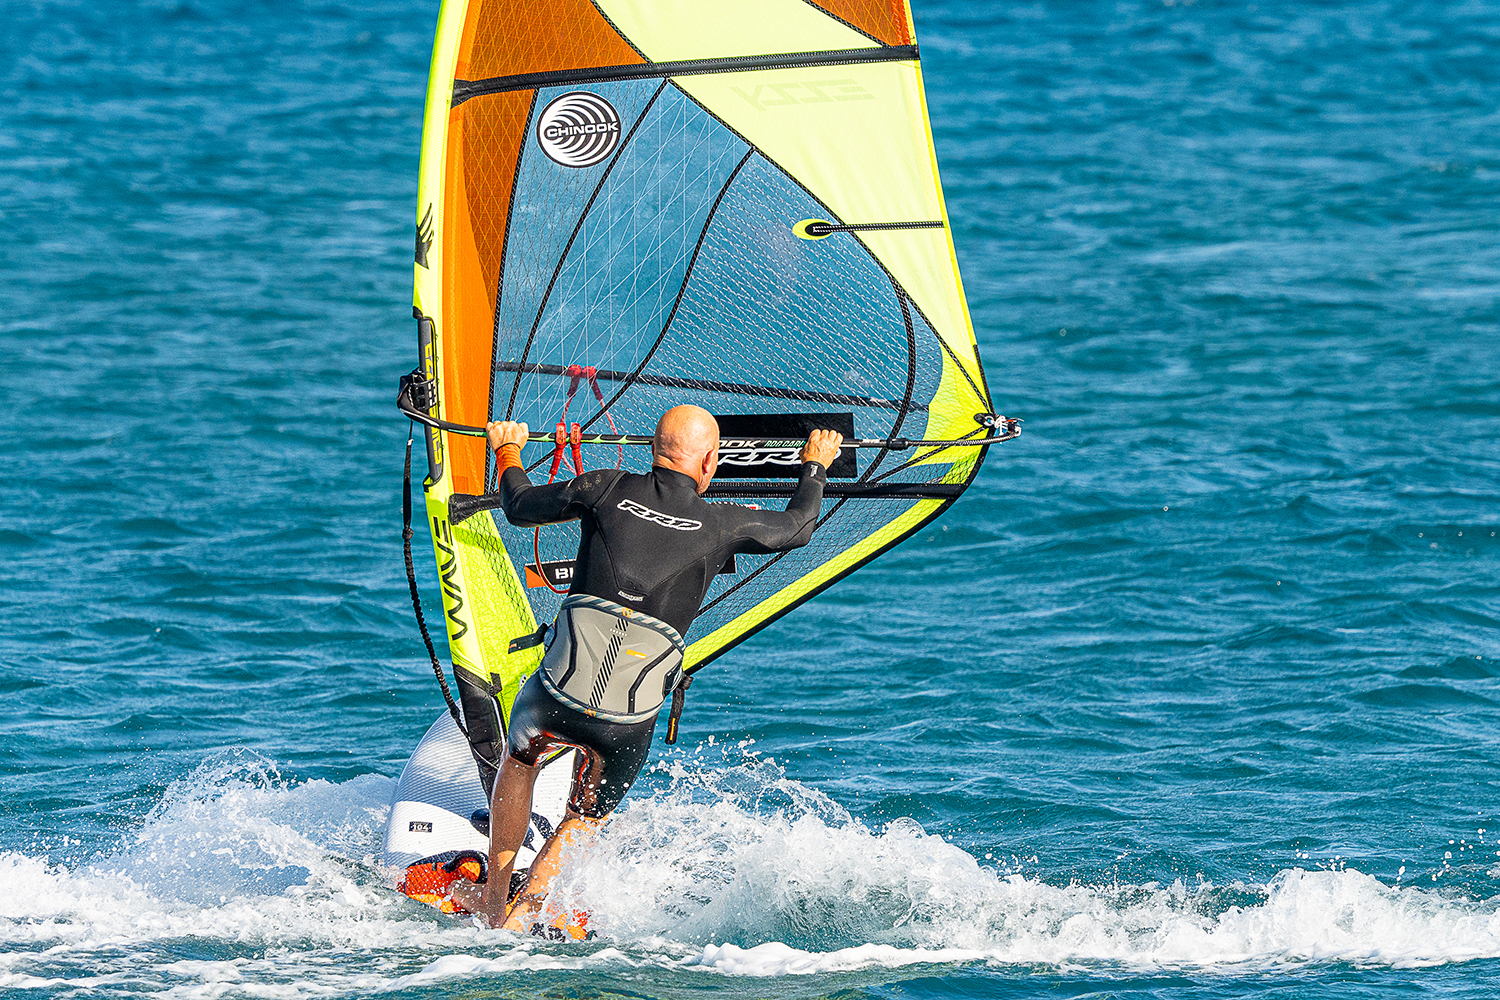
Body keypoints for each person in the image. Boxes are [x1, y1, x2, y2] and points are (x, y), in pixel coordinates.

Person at [449, 404, 843, 930]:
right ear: (710, 463)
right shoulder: (725, 521)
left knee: (520, 760)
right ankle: (522, 915)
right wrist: (814, 465)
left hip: (553, 700)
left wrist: (508, 447)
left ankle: (496, 900)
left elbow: (519, 504)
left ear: (653, 450)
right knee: (584, 817)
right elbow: (798, 528)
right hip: (624, 725)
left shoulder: (605, 486)